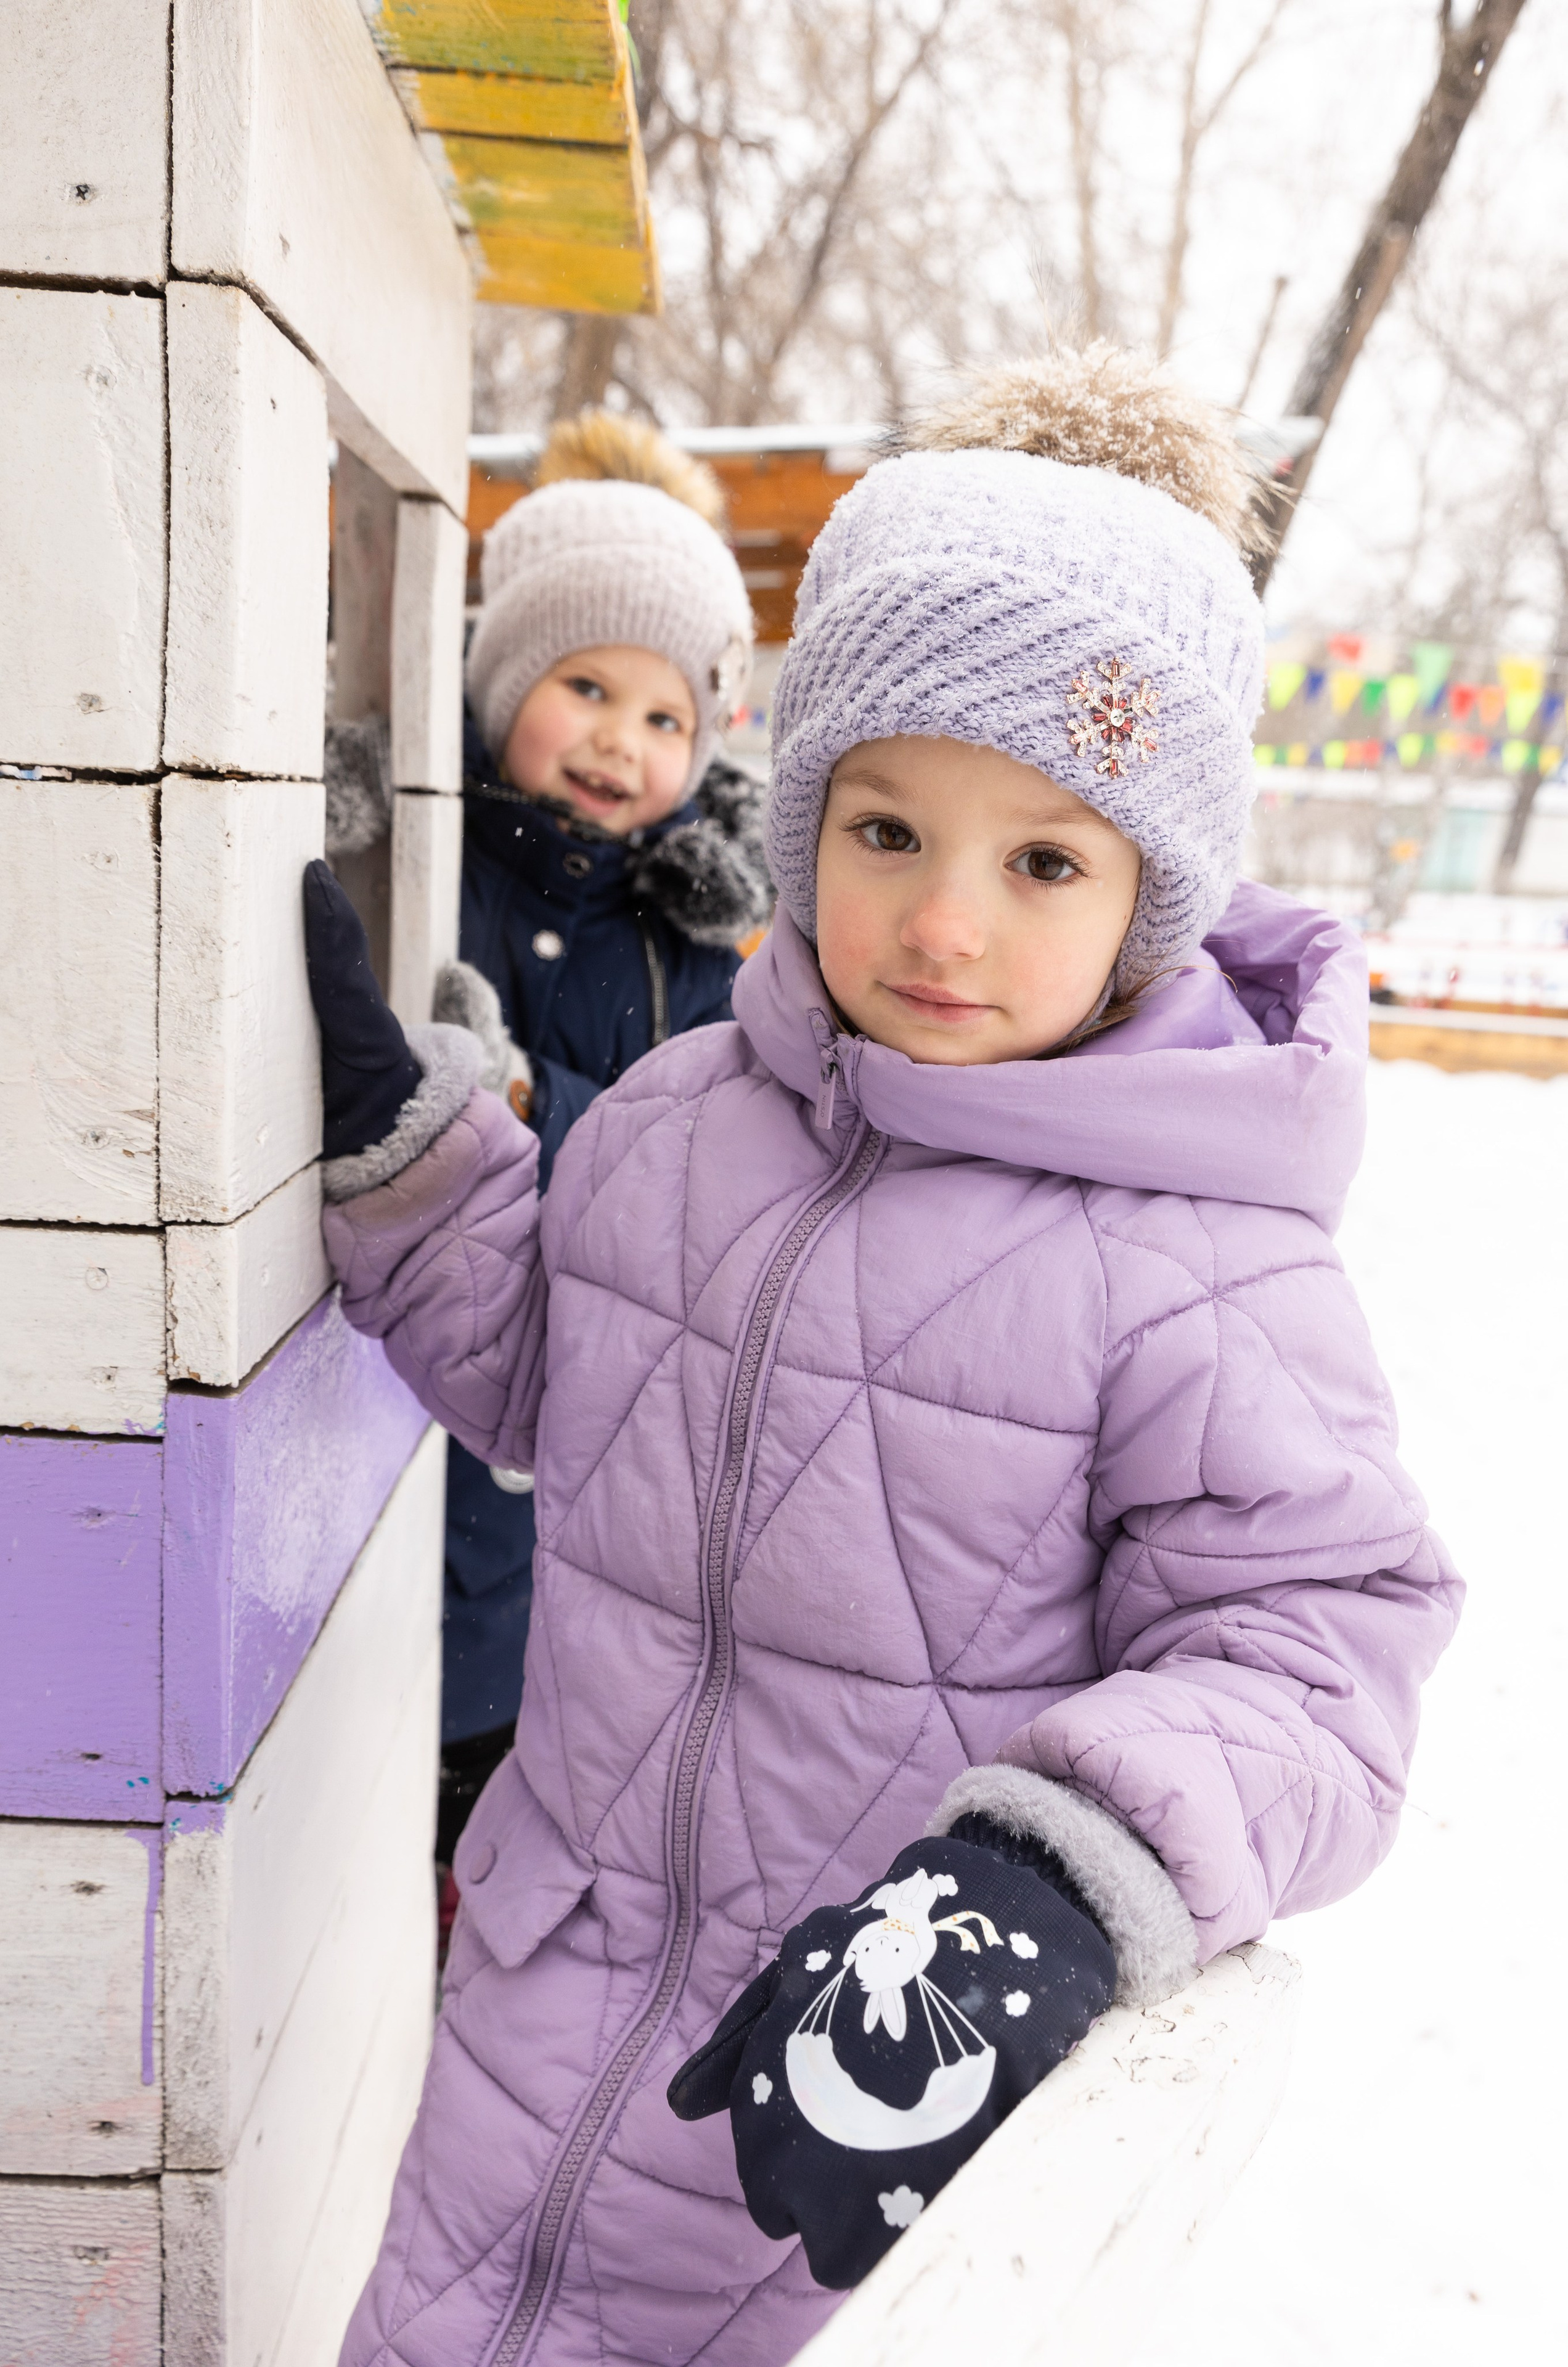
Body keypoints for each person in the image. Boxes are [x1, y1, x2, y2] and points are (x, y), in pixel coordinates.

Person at [303, 346, 1460, 2367]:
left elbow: (1313, 1652)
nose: (945, 922)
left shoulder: (1200, 1265)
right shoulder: (675, 1118)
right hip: (525, 2034)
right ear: (808, 800)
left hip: (847, 2113)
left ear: (1150, 900)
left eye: (1043, 863)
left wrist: (1060, 1873)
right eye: (889, 826)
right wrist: (419, 1176)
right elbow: (552, 1387)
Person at [326, 415, 770, 1879]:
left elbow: (696, 1156)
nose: (619, 744)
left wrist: (529, 1109)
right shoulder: (416, 843)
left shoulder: (691, 939)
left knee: (497, 1745)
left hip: (550, 1411)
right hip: (363, 1375)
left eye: (663, 720)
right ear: (506, 675)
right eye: (585, 687)